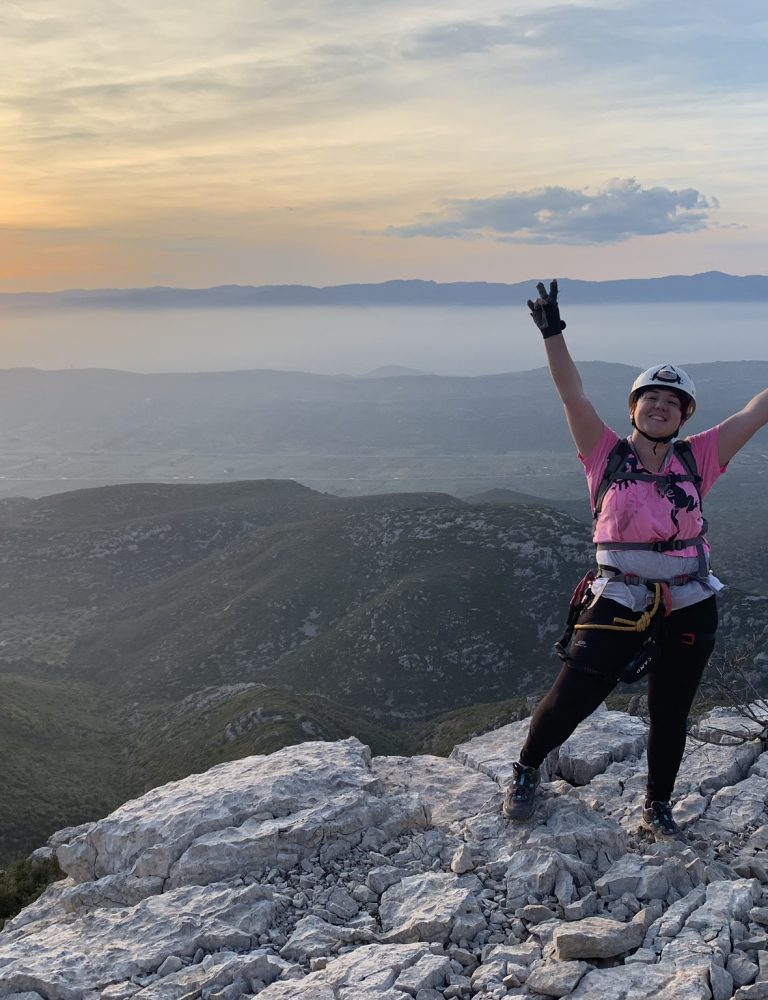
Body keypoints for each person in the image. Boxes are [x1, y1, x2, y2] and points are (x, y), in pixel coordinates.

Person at [502, 279, 768, 838]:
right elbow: (572, 395)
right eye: (652, 398)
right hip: (619, 595)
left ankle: (657, 804)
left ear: (685, 416)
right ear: (634, 407)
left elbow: (757, 410)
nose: (661, 406)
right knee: (573, 696)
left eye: (673, 402)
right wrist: (552, 333)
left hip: (690, 599)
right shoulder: (604, 454)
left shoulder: (699, 457)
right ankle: (526, 768)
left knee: (671, 710)